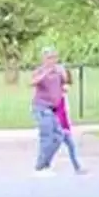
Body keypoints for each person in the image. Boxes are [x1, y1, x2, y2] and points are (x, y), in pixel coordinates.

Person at [30, 47, 66, 177]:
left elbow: (65, 83)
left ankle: (46, 163)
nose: (53, 61)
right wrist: (46, 73)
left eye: (54, 58)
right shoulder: (39, 71)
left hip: (53, 109)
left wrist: (62, 75)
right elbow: (32, 82)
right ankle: (40, 167)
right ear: (44, 59)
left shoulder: (58, 72)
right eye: (49, 58)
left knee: (58, 136)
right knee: (47, 137)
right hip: (41, 107)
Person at [55, 71, 86, 175]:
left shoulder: (63, 96)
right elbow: (60, 113)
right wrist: (63, 127)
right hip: (60, 126)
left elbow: (65, 112)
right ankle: (77, 167)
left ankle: (77, 166)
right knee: (68, 146)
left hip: (63, 125)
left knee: (69, 146)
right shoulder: (59, 96)